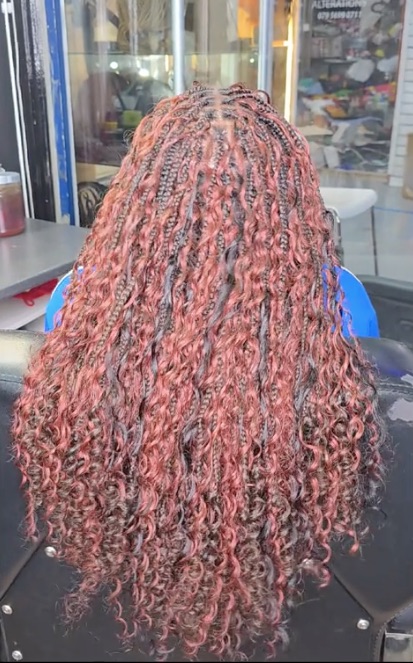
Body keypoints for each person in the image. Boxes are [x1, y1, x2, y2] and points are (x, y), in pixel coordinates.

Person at [13, 84, 385, 660]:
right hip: (281, 595)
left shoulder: (74, 299)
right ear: (287, 196)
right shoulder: (344, 301)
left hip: (119, 589)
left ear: (139, 196)